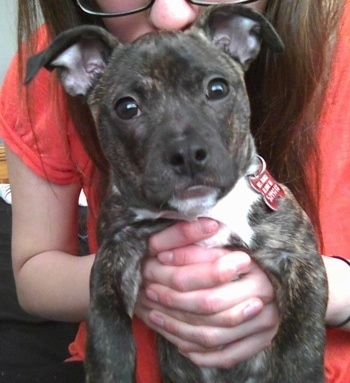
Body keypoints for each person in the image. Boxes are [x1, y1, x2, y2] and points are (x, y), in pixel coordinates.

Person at [0, 0, 349, 382]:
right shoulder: (56, 69)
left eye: (215, 89)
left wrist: (334, 293)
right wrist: (142, 283)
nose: (169, 12)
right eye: (130, 108)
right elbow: (43, 278)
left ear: (244, 38)